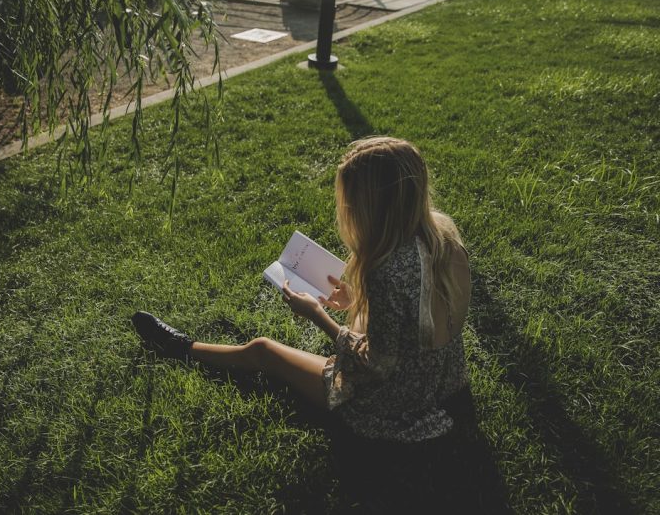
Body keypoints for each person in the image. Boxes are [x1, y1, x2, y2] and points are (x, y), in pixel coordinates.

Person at [132, 136, 471, 445]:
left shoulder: (383, 270)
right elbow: (427, 309)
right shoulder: (443, 234)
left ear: (371, 208)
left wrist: (318, 316)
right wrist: (357, 299)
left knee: (263, 350)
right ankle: (185, 347)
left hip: (395, 400)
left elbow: (378, 365)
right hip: (443, 379)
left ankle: (181, 348)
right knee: (357, 321)